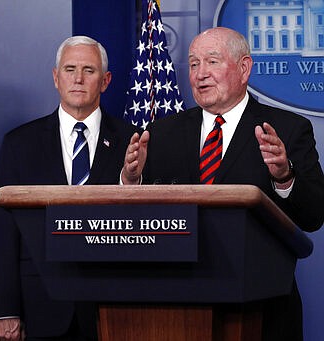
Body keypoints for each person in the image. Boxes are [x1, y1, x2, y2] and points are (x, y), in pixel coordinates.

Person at [122, 27, 324, 340]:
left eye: (212, 62)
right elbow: (139, 220)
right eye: (193, 64)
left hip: (262, 308)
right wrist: (131, 180)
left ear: (244, 68)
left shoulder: (287, 129)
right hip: (176, 307)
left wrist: (284, 175)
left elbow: (313, 215)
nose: (200, 74)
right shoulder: (161, 133)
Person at [0, 35, 138, 341]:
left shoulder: (132, 141)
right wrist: (6, 310)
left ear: (105, 81)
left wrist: (130, 182)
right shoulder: (19, 144)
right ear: (56, 78)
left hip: (114, 307)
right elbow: (5, 233)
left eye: (89, 70)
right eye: (70, 69)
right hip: (41, 305)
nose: (79, 79)